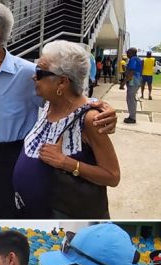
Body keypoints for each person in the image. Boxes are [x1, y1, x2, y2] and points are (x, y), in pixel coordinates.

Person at [0, 1, 116, 219]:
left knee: (10, 214)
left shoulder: (29, 72)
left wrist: (100, 107)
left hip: (11, 154)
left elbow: (68, 95)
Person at [12, 40, 121, 219]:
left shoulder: (90, 119)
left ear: (62, 82)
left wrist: (66, 162)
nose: (33, 77)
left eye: (39, 73)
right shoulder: (49, 103)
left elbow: (112, 176)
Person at [124, 48, 143, 124]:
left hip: (133, 82)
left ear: (131, 53)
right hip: (137, 81)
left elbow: (131, 72)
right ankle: (132, 116)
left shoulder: (133, 59)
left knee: (130, 99)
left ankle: (132, 117)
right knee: (132, 99)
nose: (127, 54)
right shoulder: (138, 59)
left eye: (128, 52)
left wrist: (123, 83)